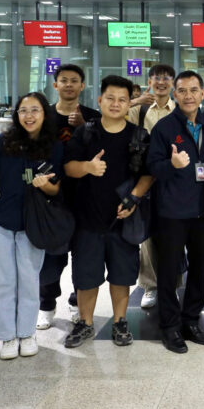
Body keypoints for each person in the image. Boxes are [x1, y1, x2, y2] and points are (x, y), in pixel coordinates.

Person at [62, 76, 153, 349]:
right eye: (110, 98)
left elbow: (148, 175)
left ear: (130, 103)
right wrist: (87, 168)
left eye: (122, 99)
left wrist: (134, 199)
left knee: (122, 274)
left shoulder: (139, 135)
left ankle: (120, 321)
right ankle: (85, 323)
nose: (116, 104)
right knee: (86, 276)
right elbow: (67, 167)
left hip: (122, 220)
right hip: (87, 219)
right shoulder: (86, 133)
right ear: (100, 100)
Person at [0, 92, 64, 360]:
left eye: (35, 110)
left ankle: (27, 333)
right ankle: (7, 336)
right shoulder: (4, 142)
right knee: (1, 279)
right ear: (17, 115)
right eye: (23, 110)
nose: (29, 116)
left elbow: (56, 189)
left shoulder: (54, 146)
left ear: (44, 114)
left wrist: (45, 185)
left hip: (33, 222)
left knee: (29, 279)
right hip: (0, 218)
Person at [146, 70, 204, 354]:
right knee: (168, 271)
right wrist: (172, 165)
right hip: (172, 212)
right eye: (182, 91)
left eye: (193, 90)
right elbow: (152, 167)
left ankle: (191, 321)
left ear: (203, 94)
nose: (188, 96)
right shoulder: (164, 128)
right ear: (175, 94)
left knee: (200, 269)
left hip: (202, 212)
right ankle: (170, 326)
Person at [38, 64, 101, 331]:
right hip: (52, 196)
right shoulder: (43, 116)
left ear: (82, 85)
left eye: (74, 81)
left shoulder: (92, 117)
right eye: (63, 80)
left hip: (84, 195)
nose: (69, 85)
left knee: (83, 254)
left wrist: (84, 128)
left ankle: (77, 302)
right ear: (55, 85)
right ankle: (47, 304)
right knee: (52, 256)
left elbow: (101, 149)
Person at [127, 64, 177, 309]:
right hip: (146, 179)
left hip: (173, 180)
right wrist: (133, 102)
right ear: (149, 81)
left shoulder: (178, 109)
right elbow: (111, 117)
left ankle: (172, 284)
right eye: (157, 78)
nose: (161, 82)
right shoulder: (141, 108)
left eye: (167, 78)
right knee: (147, 237)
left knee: (173, 235)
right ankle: (150, 285)